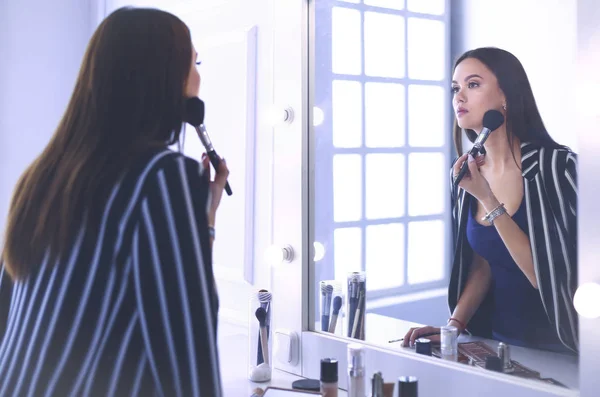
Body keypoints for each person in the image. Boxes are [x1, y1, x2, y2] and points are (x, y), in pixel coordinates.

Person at [0, 7, 229, 396]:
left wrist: (202, 221)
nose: (198, 78)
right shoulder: (163, 177)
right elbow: (191, 363)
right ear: (162, 77)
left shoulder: (41, 177)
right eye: (193, 62)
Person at [403, 47, 578, 354]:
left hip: (564, 350)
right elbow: (485, 262)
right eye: (455, 88)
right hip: (499, 346)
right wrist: (453, 326)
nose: (459, 97)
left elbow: (546, 277)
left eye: (473, 85)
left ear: (505, 97)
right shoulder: (467, 175)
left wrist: (486, 196)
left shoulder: (558, 168)